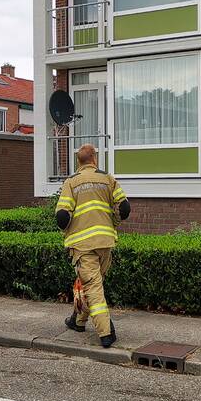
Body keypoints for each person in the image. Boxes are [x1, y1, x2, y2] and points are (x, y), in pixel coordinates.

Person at [55, 144, 131, 348]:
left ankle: (106, 333)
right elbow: (124, 207)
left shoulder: (71, 182)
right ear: (94, 159)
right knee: (91, 284)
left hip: (83, 245)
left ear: (78, 161)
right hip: (105, 242)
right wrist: (114, 221)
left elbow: (62, 216)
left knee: (93, 287)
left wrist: (69, 226)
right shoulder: (107, 178)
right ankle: (78, 321)